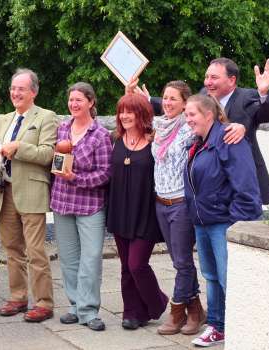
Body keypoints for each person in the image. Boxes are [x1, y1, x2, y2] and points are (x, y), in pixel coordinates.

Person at [144, 58, 269, 204]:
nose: (207, 82)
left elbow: (268, 115)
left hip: (240, 185)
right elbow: (182, 104)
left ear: (232, 80)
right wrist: (150, 100)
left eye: (214, 77)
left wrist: (264, 93)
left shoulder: (248, 97)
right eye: (206, 77)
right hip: (210, 190)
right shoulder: (204, 95)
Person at [184, 94, 262, 347]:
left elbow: (247, 188)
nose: (188, 120)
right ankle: (218, 326)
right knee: (212, 276)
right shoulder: (198, 143)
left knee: (230, 278)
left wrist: (233, 224)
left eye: (192, 114)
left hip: (223, 223)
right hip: (203, 221)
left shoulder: (229, 139)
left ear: (208, 115)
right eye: (186, 115)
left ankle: (246, 328)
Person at [0, 68, 57, 322]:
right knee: (11, 249)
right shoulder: (3, 119)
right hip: (4, 191)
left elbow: (46, 155)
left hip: (31, 190)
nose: (15, 93)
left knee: (35, 250)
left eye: (21, 88)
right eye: (13, 88)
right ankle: (18, 297)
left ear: (34, 91)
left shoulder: (46, 117)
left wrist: (19, 147)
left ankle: (43, 302)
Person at [51, 82, 111, 331]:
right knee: (68, 258)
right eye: (71, 100)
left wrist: (76, 178)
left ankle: (89, 310)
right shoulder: (62, 128)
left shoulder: (101, 135)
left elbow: (106, 173)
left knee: (91, 258)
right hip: (62, 202)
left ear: (91, 102)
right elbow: (57, 162)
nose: (74, 104)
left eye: (79, 100)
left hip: (90, 204)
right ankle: (74, 306)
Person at [106, 93, 168, 330]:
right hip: (120, 211)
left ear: (141, 114)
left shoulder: (156, 142)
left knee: (137, 264)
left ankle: (158, 302)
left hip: (146, 213)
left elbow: (176, 118)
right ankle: (131, 312)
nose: (124, 116)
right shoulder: (115, 140)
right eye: (121, 111)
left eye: (130, 111)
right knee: (125, 267)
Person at [151, 81, 206, 335]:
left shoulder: (188, 129)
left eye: (174, 98)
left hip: (181, 203)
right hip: (160, 202)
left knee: (183, 262)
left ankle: (176, 312)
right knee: (178, 261)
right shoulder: (158, 126)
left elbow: (214, 122)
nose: (168, 102)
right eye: (165, 98)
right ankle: (195, 310)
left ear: (185, 103)